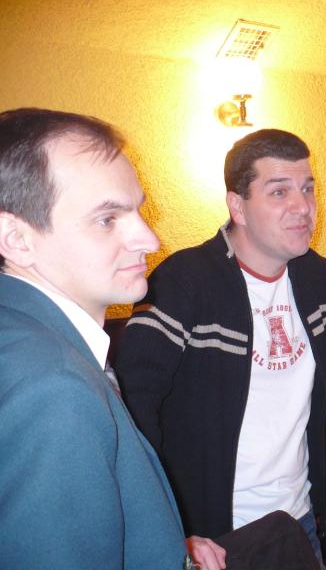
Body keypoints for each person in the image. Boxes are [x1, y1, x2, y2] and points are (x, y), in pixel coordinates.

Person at [114, 128, 326, 563]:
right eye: (279, 192)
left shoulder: (316, 277)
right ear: (238, 206)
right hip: (215, 535)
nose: (303, 207)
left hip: (299, 519)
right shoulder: (183, 282)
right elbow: (134, 405)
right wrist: (167, 526)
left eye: (307, 189)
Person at [0, 108, 226, 568]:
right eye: (107, 219)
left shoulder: (25, 337)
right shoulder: (53, 390)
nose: (150, 239)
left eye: (138, 210)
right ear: (17, 239)